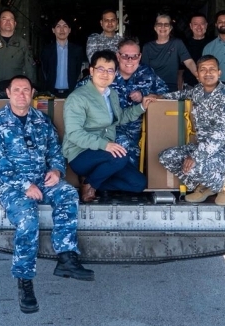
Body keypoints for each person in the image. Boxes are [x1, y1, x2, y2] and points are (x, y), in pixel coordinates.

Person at [0, 75, 94, 314]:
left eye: (26, 90)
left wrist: (56, 170)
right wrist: (24, 185)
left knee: (66, 193)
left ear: (32, 93)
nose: (21, 94)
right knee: (27, 218)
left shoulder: (41, 120)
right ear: (8, 92)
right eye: (17, 90)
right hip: (10, 185)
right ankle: (25, 281)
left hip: (41, 179)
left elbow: (56, 150)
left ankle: (66, 257)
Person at [63, 50, 154, 202]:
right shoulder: (78, 97)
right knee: (120, 157)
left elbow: (119, 118)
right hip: (81, 154)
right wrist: (105, 145)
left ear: (115, 73)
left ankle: (92, 181)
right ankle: (90, 183)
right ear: (91, 71)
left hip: (106, 155)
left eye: (110, 70)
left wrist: (141, 107)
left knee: (138, 184)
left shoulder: (111, 94)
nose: (105, 74)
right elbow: (74, 134)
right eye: (100, 69)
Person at [152, 55, 225, 205]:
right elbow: (182, 94)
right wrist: (160, 96)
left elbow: (221, 135)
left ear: (219, 73)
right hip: (203, 148)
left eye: (212, 69)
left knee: (195, 165)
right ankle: (206, 186)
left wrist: (195, 156)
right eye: (203, 70)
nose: (208, 73)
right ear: (198, 74)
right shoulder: (198, 91)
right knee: (166, 156)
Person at [74, 38, 168, 167]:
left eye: (134, 56)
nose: (130, 61)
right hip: (107, 132)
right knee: (122, 157)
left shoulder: (147, 73)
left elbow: (166, 95)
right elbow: (80, 90)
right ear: (118, 56)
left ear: (140, 57)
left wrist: (146, 96)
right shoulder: (107, 72)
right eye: (125, 56)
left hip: (139, 132)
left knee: (136, 169)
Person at [142, 13, 198, 91]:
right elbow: (144, 71)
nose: (163, 27)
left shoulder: (177, 43)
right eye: (159, 24)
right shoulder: (147, 47)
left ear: (170, 28)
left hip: (171, 89)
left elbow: (189, 62)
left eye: (166, 24)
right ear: (155, 28)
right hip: (153, 88)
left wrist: (198, 75)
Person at [38, 16, 86, 96]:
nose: (62, 29)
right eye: (58, 26)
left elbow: (77, 71)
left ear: (69, 30)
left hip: (71, 93)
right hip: (51, 93)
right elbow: (44, 71)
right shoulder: (47, 50)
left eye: (65, 26)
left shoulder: (77, 50)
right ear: (53, 30)